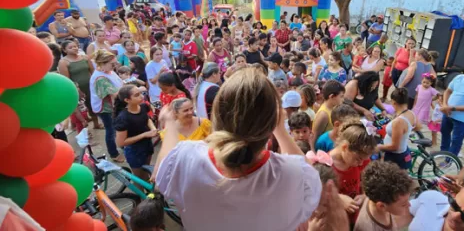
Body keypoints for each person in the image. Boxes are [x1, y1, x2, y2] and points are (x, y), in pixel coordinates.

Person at [154, 68, 322, 230]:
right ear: (271, 122)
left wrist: (169, 123)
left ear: (217, 115)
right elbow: (309, 176)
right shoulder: (292, 173)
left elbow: (164, 168)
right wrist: (279, 129)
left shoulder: (185, 158)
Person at [114, 85, 157, 182]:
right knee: (139, 179)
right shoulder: (123, 118)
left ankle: (149, 194)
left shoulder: (143, 106)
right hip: (135, 151)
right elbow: (121, 143)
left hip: (147, 146)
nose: (142, 96)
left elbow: (146, 119)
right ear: (127, 100)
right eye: (137, 95)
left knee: (146, 174)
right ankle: (142, 197)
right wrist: (144, 135)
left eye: (141, 93)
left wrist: (153, 128)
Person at [354, 161, 412, 231]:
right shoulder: (367, 228)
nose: (409, 205)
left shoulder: (376, 195)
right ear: (381, 206)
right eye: (403, 204)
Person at [89, 50, 125, 162]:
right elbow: (115, 93)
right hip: (105, 108)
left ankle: (122, 145)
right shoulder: (100, 78)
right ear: (102, 64)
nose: (115, 66)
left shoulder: (108, 71)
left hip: (112, 106)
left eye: (115, 63)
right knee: (111, 129)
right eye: (112, 64)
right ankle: (113, 153)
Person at [329, 118, 377, 201]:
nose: (361, 163)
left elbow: (367, 180)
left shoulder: (361, 159)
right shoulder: (326, 165)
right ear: (345, 147)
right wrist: (341, 200)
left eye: (364, 160)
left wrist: (364, 195)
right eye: (358, 159)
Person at [58, 40, 99, 129]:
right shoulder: (64, 62)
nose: (74, 48)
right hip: (76, 89)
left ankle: (96, 124)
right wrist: (76, 89)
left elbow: (92, 71)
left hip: (89, 86)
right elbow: (67, 79)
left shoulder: (85, 58)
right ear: (65, 50)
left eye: (75, 46)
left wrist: (95, 83)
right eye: (70, 47)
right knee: (79, 110)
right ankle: (80, 129)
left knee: (92, 104)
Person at [378, 88, 420, 170]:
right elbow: (418, 126)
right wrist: (405, 132)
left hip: (395, 156)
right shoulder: (411, 113)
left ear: (393, 102)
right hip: (403, 150)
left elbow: (394, 147)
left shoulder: (399, 122)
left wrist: (379, 147)